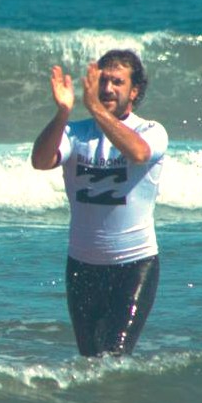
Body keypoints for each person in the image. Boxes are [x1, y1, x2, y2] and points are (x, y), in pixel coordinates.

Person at [30, 50, 167, 357]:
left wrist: (95, 110)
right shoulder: (76, 133)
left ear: (134, 91)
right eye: (102, 80)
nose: (107, 88)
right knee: (90, 359)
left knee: (115, 356)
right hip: (82, 267)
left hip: (135, 265)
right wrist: (63, 112)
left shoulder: (151, 131)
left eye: (117, 82)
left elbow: (139, 154)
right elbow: (40, 161)